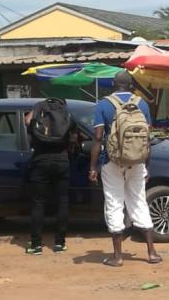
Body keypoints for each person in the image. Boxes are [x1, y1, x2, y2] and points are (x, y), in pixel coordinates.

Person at [88, 71, 161, 267]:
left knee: (114, 203)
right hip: (137, 162)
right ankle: (152, 253)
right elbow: (147, 138)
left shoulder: (103, 105)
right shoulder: (142, 104)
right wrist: (146, 165)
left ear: (113, 84)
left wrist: (92, 167)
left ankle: (118, 257)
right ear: (130, 85)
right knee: (138, 201)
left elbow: (97, 138)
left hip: (112, 162)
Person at [24, 98, 77, 255]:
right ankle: (60, 244)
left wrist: (37, 108)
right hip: (61, 160)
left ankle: (36, 245)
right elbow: (74, 137)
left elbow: (27, 122)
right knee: (62, 201)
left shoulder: (38, 113)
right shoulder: (67, 115)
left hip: (40, 160)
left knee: (38, 203)